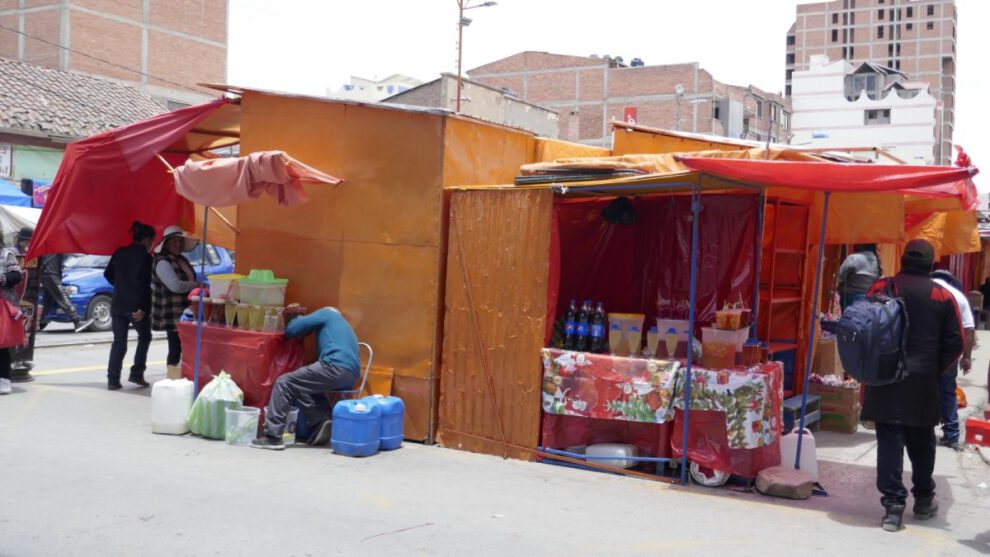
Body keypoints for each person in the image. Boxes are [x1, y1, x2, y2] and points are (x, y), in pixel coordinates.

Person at [863, 239, 963, 532]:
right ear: (932, 264)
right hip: (923, 382)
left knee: (890, 442)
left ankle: (893, 508)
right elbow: (955, 343)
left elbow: (861, 328)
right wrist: (934, 370)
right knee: (922, 442)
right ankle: (922, 500)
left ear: (903, 260)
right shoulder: (943, 296)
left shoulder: (881, 289)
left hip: (885, 379)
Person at [251, 307, 361, 451]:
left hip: (334, 366)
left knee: (284, 382)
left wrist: (296, 318)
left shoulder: (326, 313)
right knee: (302, 386)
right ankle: (321, 421)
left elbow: (292, 330)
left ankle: (273, 436)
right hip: (351, 375)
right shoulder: (345, 326)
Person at [104, 222, 156, 391]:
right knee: (145, 336)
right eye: (152, 240)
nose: (152, 244)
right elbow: (144, 285)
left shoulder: (119, 252)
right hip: (136, 305)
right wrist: (144, 308)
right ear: (146, 239)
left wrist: (120, 285)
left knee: (119, 342)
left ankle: (113, 380)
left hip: (118, 303)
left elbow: (107, 274)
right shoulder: (146, 258)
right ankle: (137, 373)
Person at [930, 269, 974, 451]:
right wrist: (967, 358)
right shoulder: (959, 296)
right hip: (948, 353)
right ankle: (951, 435)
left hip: (925, 350)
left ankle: (919, 429)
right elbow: (969, 329)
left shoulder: (927, 289)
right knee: (947, 391)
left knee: (921, 389)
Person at [151, 226, 198, 375]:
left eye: (181, 241)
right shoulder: (162, 262)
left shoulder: (181, 259)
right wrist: (196, 285)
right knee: (175, 348)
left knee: (184, 347)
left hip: (185, 311)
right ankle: (172, 378)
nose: (179, 244)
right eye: (175, 241)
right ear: (167, 243)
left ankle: (180, 377)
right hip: (173, 312)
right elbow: (175, 286)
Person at [39, 251, 94, 333]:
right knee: (63, 297)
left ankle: (36, 323)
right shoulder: (55, 245)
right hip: (50, 275)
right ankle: (77, 321)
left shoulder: (52, 246)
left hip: (49, 275)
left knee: (48, 302)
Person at [0, 230, 23, 395]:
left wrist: (1, 278)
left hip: (3, 305)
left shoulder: (7, 254)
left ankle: (4, 380)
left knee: (1, 346)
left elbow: (17, 275)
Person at [838, 243, 882, 310]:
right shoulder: (876, 260)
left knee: (848, 319)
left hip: (849, 297)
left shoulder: (853, 258)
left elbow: (841, 276)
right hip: (868, 298)